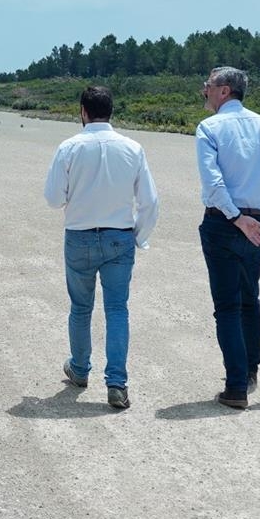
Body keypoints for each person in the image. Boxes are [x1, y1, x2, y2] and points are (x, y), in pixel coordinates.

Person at [44, 85, 159, 410]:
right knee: (117, 310)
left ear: (83, 111)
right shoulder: (133, 148)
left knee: (81, 308)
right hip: (119, 236)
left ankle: (80, 369)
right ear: (111, 110)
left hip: (79, 235)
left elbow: (53, 198)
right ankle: (117, 384)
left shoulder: (69, 147)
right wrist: (138, 235)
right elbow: (149, 201)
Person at [195, 66, 260, 410]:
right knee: (249, 297)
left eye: (207, 86)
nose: (204, 91)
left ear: (224, 91)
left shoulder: (209, 127)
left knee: (227, 305)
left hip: (225, 222)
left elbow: (213, 182)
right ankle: (251, 369)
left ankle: (236, 385)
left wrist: (236, 218)